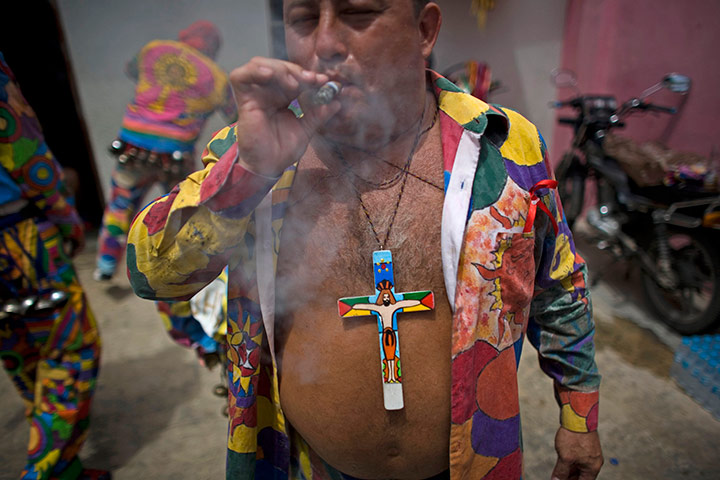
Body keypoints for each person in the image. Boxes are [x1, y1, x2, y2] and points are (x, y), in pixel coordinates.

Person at [126, 1, 603, 479]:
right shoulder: (253, 148)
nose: (326, 44)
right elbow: (152, 278)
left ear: (424, 29)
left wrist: (580, 416)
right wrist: (248, 173)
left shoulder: (505, 145)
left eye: (358, 13)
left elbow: (558, 284)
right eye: (305, 19)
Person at [0, 53, 107, 480]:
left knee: (19, 345)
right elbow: (23, 148)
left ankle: (65, 466)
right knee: (69, 348)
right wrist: (66, 218)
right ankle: (47, 471)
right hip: (15, 232)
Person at [94, 20, 237, 281]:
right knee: (182, 210)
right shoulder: (217, 76)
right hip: (176, 153)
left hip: (132, 146)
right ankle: (185, 269)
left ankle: (105, 265)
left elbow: (131, 70)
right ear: (214, 46)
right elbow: (234, 115)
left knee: (120, 203)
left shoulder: (153, 49)